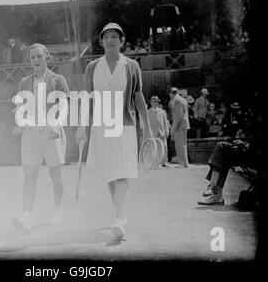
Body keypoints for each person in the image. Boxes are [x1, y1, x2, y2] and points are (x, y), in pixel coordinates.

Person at [75, 23, 153, 240]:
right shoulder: (92, 67)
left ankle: (120, 218)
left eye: (114, 37)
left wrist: (146, 125)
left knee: (122, 173)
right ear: (101, 41)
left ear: (122, 41)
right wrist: (81, 126)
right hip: (100, 127)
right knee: (110, 174)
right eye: (106, 37)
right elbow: (86, 99)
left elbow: (138, 97)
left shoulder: (131, 66)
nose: (110, 40)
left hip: (125, 126)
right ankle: (119, 215)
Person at [11, 43, 69, 232]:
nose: (35, 60)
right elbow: (20, 108)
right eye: (32, 57)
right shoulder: (24, 82)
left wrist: (55, 124)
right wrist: (20, 123)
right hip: (31, 134)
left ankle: (58, 211)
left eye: (39, 56)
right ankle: (26, 216)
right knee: (29, 177)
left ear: (47, 58)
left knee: (55, 175)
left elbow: (64, 106)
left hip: (52, 133)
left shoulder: (58, 80)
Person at [170, 86, 190, 168]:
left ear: (171, 93)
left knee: (180, 144)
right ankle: (184, 162)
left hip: (180, 125)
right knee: (183, 144)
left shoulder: (177, 100)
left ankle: (183, 163)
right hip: (184, 124)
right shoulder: (183, 99)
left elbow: (177, 116)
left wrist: (173, 129)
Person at [148, 96, 170, 167]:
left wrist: (167, 131)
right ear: (151, 103)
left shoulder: (162, 112)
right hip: (153, 132)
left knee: (164, 147)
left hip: (161, 131)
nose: (155, 103)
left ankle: (164, 161)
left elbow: (165, 122)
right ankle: (155, 162)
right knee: (154, 147)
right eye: (153, 102)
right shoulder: (148, 112)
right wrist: (148, 132)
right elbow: (147, 123)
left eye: (156, 102)